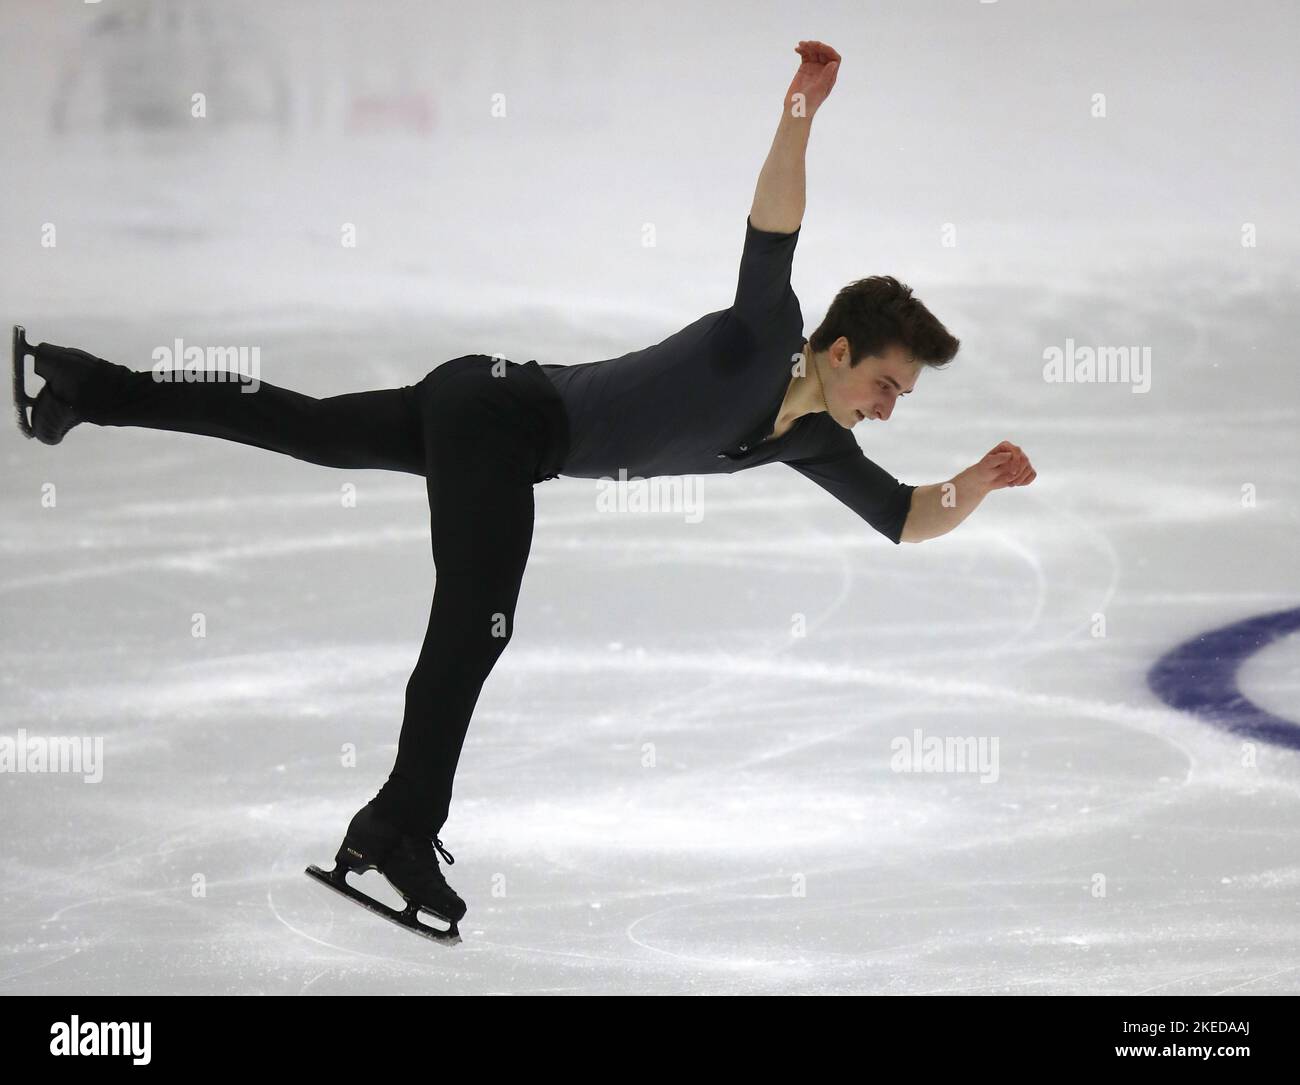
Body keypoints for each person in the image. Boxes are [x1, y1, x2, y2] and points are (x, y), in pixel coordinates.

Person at [12, 40, 1035, 939]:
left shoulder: (811, 438)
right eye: (886, 383)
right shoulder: (761, 338)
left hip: (487, 409)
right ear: (841, 348)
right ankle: (398, 826)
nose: (889, 406)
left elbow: (905, 518)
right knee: (476, 620)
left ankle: (85, 386)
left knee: (309, 427)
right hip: (503, 420)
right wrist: (800, 109)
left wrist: (976, 482)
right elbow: (774, 227)